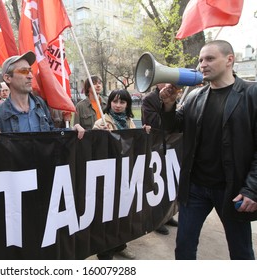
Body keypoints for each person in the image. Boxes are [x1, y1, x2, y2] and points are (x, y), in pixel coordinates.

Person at [159, 40, 257, 259]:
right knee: (184, 247)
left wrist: (252, 189)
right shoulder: (195, 96)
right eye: (201, 59)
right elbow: (173, 126)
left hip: (232, 189)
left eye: (210, 58)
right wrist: (168, 105)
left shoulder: (251, 94)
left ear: (229, 59)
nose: (203, 64)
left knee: (241, 251)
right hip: (195, 188)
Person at [0, 51, 85, 139]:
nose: (30, 76)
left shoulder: (40, 104)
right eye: (24, 71)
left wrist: (71, 131)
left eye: (30, 71)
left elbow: (51, 134)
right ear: (8, 78)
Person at [92, 89, 138, 260]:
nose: (118, 106)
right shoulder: (101, 123)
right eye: (115, 101)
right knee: (107, 214)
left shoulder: (130, 122)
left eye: (122, 102)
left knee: (124, 212)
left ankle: (120, 245)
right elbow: (93, 151)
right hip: (107, 176)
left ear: (127, 104)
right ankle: (105, 252)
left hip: (125, 173)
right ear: (109, 103)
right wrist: (98, 136)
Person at [141, 83, 180, 235]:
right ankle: (156, 220)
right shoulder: (149, 99)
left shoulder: (172, 95)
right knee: (156, 185)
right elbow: (155, 122)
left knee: (169, 183)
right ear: (157, 83)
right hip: (156, 146)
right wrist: (168, 109)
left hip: (170, 145)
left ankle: (167, 215)